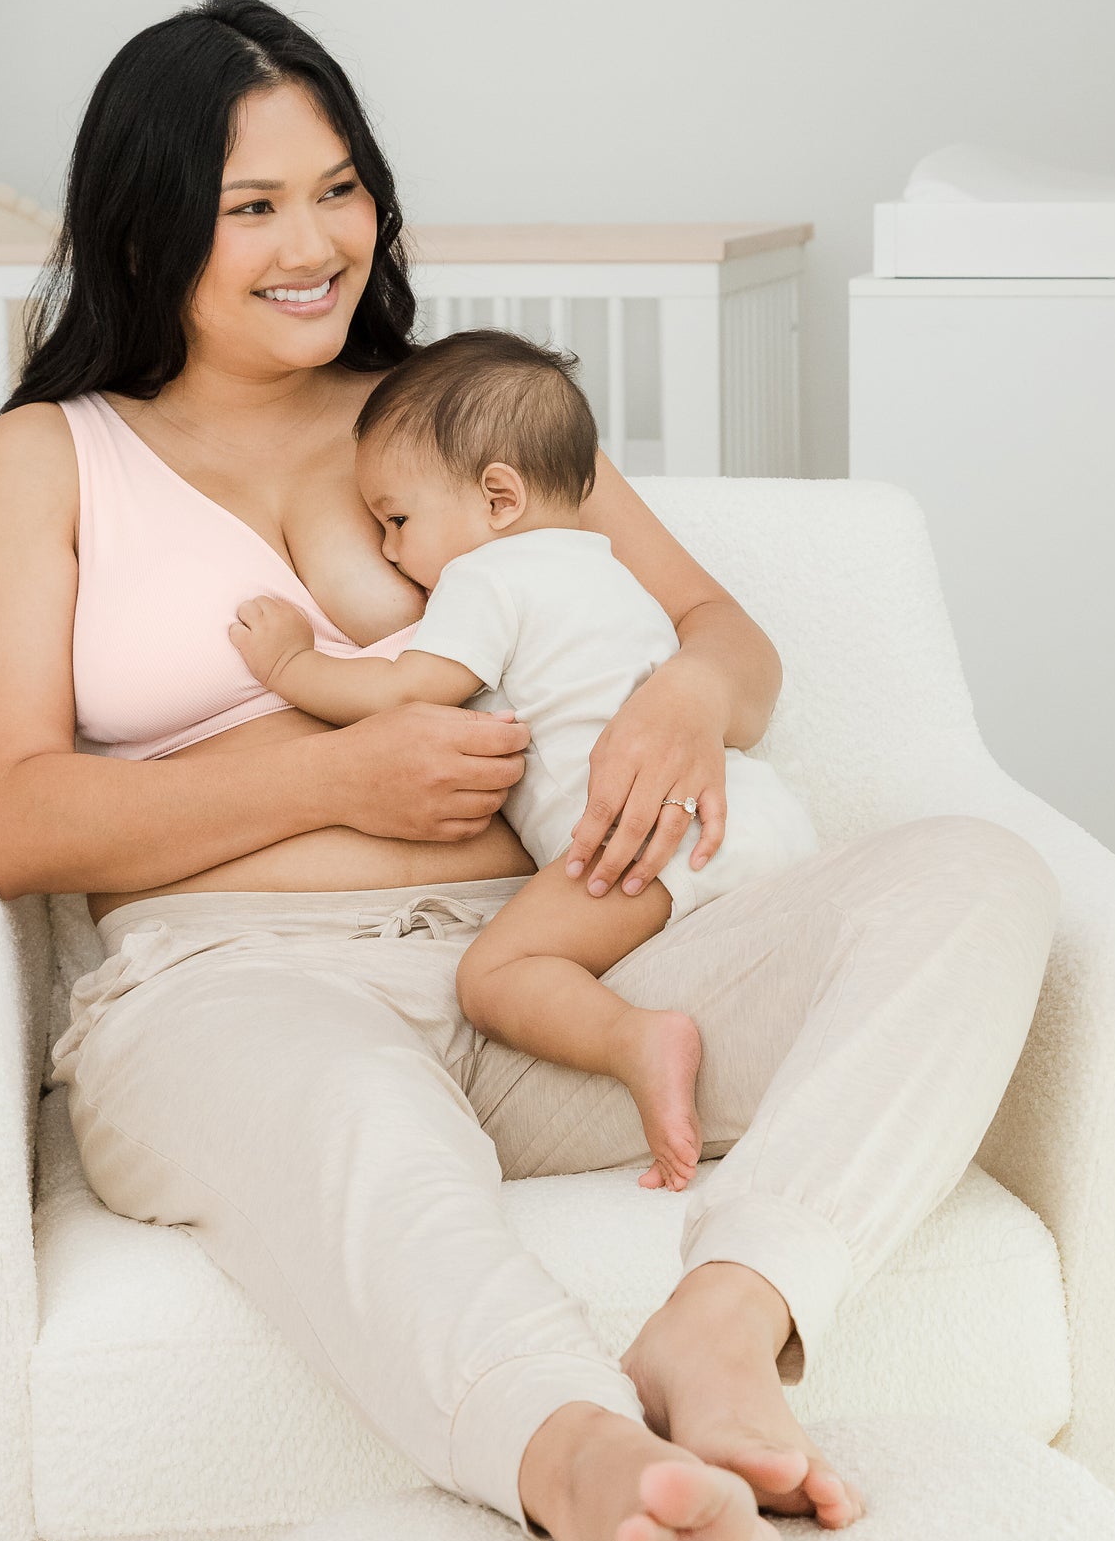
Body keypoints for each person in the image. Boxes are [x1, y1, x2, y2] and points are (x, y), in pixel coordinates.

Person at [0, 0, 1060, 1541]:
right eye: (253, 207)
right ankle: (605, 1480)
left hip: (556, 968)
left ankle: (724, 1327)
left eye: (339, 186)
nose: (315, 240)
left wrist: (687, 693)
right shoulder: (47, 460)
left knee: (976, 881)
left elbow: (721, 634)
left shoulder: (466, 416)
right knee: (364, 1134)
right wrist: (326, 782)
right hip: (236, 989)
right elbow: (14, 814)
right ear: (146, 220)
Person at [229, 327, 820, 1192]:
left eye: (396, 519)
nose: (391, 549)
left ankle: (637, 1040)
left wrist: (291, 667)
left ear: (498, 500)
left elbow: (409, 690)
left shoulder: (487, 578)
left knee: (496, 975)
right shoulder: (606, 565)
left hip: (636, 840)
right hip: (748, 815)